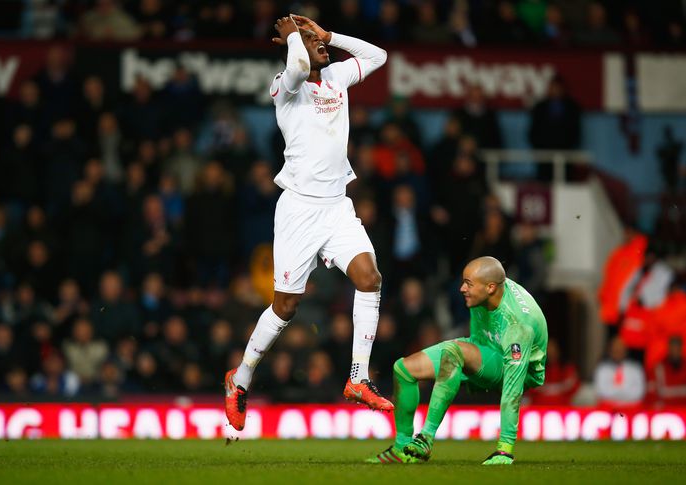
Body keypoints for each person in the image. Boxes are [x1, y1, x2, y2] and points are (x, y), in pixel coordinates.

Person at [224, 14, 391, 432]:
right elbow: (298, 65)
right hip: (299, 209)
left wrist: (328, 34)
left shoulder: (335, 76)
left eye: (323, 43)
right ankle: (240, 378)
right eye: (313, 42)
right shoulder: (285, 85)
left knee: (370, 279)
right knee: (286, 307)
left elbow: (378, 55)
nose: (322, 47)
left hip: (337, 206)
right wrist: (294, 39)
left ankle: (358, 378)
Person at [368, 256, 548, 465]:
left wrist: (504, 450)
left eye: (468, 284)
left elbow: (513, 390)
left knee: (454, 352)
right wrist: (469, 372)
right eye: (464, 281)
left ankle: (425, 438)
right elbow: (479, 338)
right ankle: (401, 448)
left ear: (490, 287)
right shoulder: (485, 293)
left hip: (519, 370)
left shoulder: (518, 325)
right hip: (488, 349)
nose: (462, 288)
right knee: (403, 369)